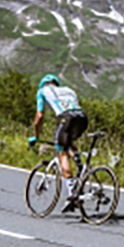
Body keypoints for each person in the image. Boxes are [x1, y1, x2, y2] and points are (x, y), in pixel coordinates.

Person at [29, 74, 88, 210]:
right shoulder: (69, 90)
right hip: (82, 118)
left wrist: (36, 136)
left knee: (62, 153)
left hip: (65, 118)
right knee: (68, 145)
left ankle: (71, 193)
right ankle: (81, 167)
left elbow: (39, 116)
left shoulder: (42, 91)